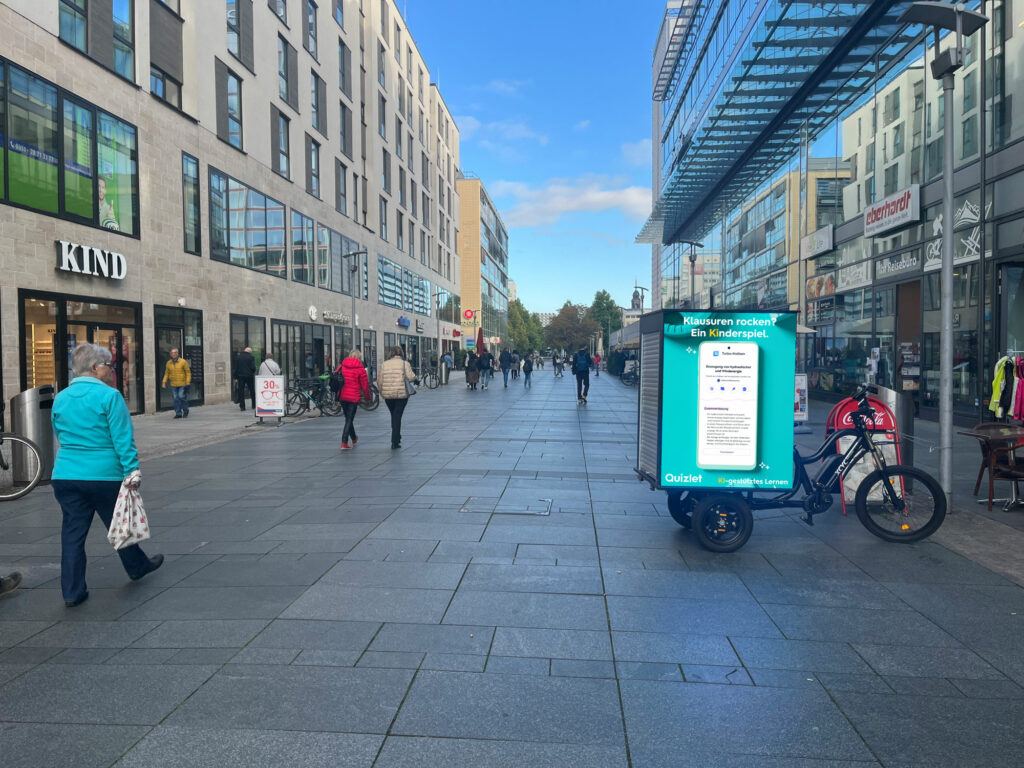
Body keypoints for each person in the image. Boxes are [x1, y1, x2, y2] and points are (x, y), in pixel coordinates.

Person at [51, 343, 163, 608]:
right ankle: (136, 566)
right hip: (103, 474)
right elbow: (122, 439)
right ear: (94, 368)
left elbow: (59, 432)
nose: (111, 370)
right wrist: (132, 470)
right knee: (119, 525)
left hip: (66, 473)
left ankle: (72, 591)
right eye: (108, 365)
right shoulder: (110, 397)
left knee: (72, 533)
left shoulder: (61, 397)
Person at [378, 346, 417, 449]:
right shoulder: (405, 364)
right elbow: (411, 377)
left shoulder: (384, 364)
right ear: (401, 353)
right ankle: (395, 440)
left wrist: (381, 392)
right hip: (401, 394)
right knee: (397, 416)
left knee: (394, 415)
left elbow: (380, 380)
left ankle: (396, 436)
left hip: (388, 396)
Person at [338, 349, 371, 450]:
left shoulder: (342, 366)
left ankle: (353, 437)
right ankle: (344, 442)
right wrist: (368, 397)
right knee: (349, 419)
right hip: (353, 397)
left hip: (342, 396)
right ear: (359, 358)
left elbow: (335, 377)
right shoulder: (360, 369)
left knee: (348, 418)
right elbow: (365, 386)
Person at [161, 347, 191, 418]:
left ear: (178, 354)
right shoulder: (169, 363)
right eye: (172, 353)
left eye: (175, 353)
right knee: (175, 398)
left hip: (182, 383)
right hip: (173, 384)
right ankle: (178, 413)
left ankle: (186, 410)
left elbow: (188, 372)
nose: (173, 354)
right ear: (170, 354)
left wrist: (188, 381)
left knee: (181, 396)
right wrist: (164, 382)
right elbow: (167, 373)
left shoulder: (183, 362)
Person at [234, 346, 257, 412]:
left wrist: (235, 377)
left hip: (240, 376)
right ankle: (253, 405)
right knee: (252, 390)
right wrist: (252, 372)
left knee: (241, 391)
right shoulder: (251, 357)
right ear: (249, 351)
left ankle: (242, 407)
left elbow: (236, 368)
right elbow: (253, 367)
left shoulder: (238, 357)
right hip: (249, 376)